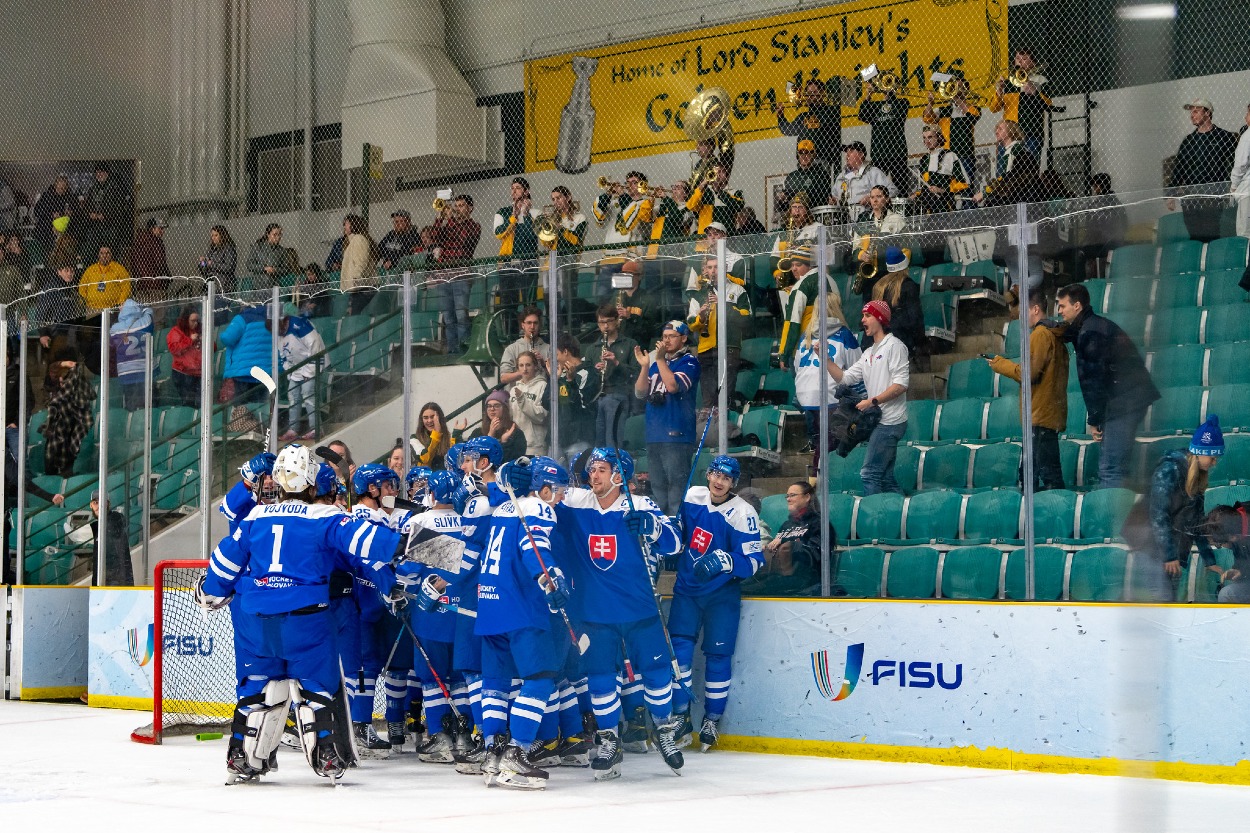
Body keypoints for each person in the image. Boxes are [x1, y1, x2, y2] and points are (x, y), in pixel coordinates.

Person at [196, 444, 404, 785]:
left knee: (257, 690)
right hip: (306, 619)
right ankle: (326, 755)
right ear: (312, 483)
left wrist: (210, 592)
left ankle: (240, 756)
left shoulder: (254, 518)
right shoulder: (324, 517)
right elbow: (366, 541)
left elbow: (222, 565)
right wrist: (404, 542)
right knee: (317, 689)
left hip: (256, 621)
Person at [552, 448, 687, 778]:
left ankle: (665, 732)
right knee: (600, 679)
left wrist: (653, 528)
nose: (592, 476)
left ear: (618, 475)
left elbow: (675, 544)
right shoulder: (577, 501)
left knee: (655, 676)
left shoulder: (641, 505)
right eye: (591, 470)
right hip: (595, 611)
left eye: (600, 469)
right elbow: (546, 496)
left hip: (640, 608)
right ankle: (609, 740)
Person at [669, 455, 763, 751]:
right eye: (716, 475)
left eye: (727, 478)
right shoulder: (692, 496)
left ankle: (712, 718)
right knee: (680, 652)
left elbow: (755, 562)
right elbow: (677, 539)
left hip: (722, 595)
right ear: (708, 475)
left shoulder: (743, 513)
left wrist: (727, 561)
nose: (720, 481)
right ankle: (681, 717)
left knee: (718, 657)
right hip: (686, 590)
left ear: (734, 483)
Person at [1055, 283, 1160, 488]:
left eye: (1062, 306)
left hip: (1125, 402)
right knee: (1115, 466)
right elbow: (1070, 333)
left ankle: (1111, 517)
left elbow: (1093, 380)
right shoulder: (1092, 326)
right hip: (1128, 399)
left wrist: (1094, 419)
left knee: (1111, 469)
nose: (1059, 311)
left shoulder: (1091, 333)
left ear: (1077, 306)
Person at [1122, 417, 1222, 602]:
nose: (1214, 462)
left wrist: (1210, 561)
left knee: (1169, 602)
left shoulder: (1197, 477)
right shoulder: (1169, 470)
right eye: (1212, 457)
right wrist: (1169, 556)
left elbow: (1197, 522)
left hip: (1171, 549)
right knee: (1162, 600)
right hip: (1149, 545)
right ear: (1200, 453)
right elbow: (1158, 515)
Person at [987, 288, 1069, 491]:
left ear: (1035, 309)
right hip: (1047, 414)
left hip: (1039, 415)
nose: (1020, 315)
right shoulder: (1055, 335)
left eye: (1024, 310)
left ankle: (1048, 518)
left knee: (1042, 478)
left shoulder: (1040, 335)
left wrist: (1000, 364)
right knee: (1037, 475)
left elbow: (1028, 374)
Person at [827, 301, 910, 495]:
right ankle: (897, 512)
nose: (862, 320)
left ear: (880, 319)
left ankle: (875, 519)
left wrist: (872, 401)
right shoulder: (868, 353)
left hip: (891, 421)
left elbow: (901, 385)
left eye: (867, 315)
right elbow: (845, 378)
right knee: (885, 478)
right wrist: (826, 360)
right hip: (880, 421)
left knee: (869, 473)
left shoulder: (895, 346)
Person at [633, 320, 700, 514]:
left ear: (684, 338)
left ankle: (678, 533)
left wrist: (660, 360)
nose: (666, 341)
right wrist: (645, 367)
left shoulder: (689, 361)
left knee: (676, 493)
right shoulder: (656, 364)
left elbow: (672, 386)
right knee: (659, 491)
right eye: (664, 337)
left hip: (677, 435)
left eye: (671, 336)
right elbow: (639, 393)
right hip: (654, 435)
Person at [792, 288, 863, 458]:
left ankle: (816, 474)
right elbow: (858, 368)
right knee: (833, 443)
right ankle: (821, 476)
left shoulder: (806, 335)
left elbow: (796, 366)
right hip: (829, 394)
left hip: (805, 395)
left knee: (822, 440)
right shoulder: (844, 334)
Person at [742, 481, 835, 597]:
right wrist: (769, 548)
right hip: (777, 577)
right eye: (787, 496)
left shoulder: (820, 523)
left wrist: (789, 544)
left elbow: (818, 554)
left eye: (793, 495)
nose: (788, 499)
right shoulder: (787, 525)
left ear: (807, 497)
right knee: (741, 587)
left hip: (806, 581)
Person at [686, 254, 751, 418]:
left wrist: (723, 305)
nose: (713, 271)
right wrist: (701, 317)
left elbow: (746, 319)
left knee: (725, 396)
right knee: (708, 399)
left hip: (729, 346)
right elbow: (691, 322)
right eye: (710, 267)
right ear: (705, 270)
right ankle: (709, 433)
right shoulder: (700, 294)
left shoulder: (737, 290)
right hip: (706, 347)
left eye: (717, 267)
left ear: (725, 269)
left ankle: (727, 431)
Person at [2, 430, 65, 585]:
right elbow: (19, 480)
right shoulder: (3, 455)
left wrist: (49, 496)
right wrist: (49, 496)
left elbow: (18, 479)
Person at [431, 194, 480, 354]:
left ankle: (464, 349)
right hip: (444, 275)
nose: (457, 209)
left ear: (470, 208)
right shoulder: (447, 226)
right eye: (456, 206)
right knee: (448, 317)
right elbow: (433, 237)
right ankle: (452, 350)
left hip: (461, 274)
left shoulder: (474, 226)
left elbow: (462, 240)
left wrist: (450, 219)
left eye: (461, 206)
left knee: (461, 315)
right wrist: (440, 217)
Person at [586, 304, 638, 450]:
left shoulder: (630, 344)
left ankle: (615, 469)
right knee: (598, 445)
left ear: (617, 321)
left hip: (619, 395)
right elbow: (584, 378)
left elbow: (636, 374)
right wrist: (594, 371)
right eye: (602, 322)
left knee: (613, 444)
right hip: (597, 398)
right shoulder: (592, 349)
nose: (606, 326)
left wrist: (616, 363)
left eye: (609, 321)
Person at [988, 48, 1055, 161]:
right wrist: (999, 91)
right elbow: (994, 108)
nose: (1020, 62)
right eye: (1017, 59)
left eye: (1024, 59)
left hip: (1030, 133)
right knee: (1003, 173)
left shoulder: (1041, 80)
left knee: (1029, 171)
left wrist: (1034, 91)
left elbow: (1048, 104)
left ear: (1033, 63)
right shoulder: (1008, 82)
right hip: (1009, 135)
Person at [218, 303, 276, 433]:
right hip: (265, 372)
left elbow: (227, 338)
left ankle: (248, 433)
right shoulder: (271, 318)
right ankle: (263, 431)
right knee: (261, 407)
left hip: (244, 372)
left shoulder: (242, 317)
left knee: (242, 407)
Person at [777, 246, 831, 370]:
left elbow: (793, 323)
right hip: (830, 344)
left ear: (809, 265)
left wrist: (785, 354)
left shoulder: (801, 286)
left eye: (798, 265)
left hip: (805, 348)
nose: (793, 269)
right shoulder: (828, 279)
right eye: (792, 265)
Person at [277, 304, 325, 442]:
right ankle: (293, 429)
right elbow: (283, 355)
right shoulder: (279, 334)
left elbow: (315, 344)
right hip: (295, 369)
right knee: (293, 397)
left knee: (309, 395)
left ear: (284, 321)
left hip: (311, 364)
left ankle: (316, 428)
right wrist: (289, 371)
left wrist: (310, 370)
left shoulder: (299, 324)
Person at [846, 186, 905, 297]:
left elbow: (906, 247)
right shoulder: (863, 219)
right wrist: (860, 254)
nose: (875, 200)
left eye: (879, 196)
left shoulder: (896, 219)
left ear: (887, 199)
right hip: (869, 275)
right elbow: (855, 247)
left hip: (889, 273)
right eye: (872, 197)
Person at [42, 353, 95, 478]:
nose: (61, 383)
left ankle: (67, 475)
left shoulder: (77, 391)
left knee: (68, 456)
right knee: (50, 458)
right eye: (60, 380)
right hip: (56, 431)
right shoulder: (57, 388)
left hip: (70, 429)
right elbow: (52, 369)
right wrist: (64, 363)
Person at [65, 489, 133, 586]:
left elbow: (118, 524)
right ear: (91, 505)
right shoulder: (97, 526)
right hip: (102, 580)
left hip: (117, 582)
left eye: (102, 502)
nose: (98, 506)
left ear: (107, 504)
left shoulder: (116, 518)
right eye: (95, 502)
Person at [871, 248, 924, 365]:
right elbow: (915, 318)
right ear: (905, 265)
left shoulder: (878, 286)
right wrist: (920, 344)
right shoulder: (909, 286)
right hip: (903, 342)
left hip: (881, 342)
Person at [857, 79, 911, 194]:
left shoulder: (902, 103)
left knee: (901, 188)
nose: (886, 87)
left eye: (889, 83)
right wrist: (869, 94)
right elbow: (862, 115)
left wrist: (889, 93)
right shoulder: (875, 106)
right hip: (879, 153)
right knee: (878, 187)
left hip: (898, 153)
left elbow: (899, 111)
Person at [922, 76, 981, 181]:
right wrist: (930, 103)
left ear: (965, 90)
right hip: (946, 155)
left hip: (965, 155)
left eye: (959, 87)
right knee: (946, 187)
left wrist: (958, 99)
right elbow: (927, 118)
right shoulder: (943, 110)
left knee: (965, 186)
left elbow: (973, 117)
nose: (956, 90)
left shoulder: (973, 108)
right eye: (954, 87)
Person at [775, 78, 843, 166]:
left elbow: (829, 120)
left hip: (822, 161)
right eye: (808, 94)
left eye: (814, 93)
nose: (810, 96)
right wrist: (781, 116)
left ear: (822, 93)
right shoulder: (803, 116)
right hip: (803, 163)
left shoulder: (831, 111)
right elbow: (787, 130)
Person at [554, 334, 599, 461]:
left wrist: (571, 381)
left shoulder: (588, 373)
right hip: (559, 438)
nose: (555, 359)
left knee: (579, 479)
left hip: (579, 437)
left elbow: (582, 404)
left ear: (565, 352)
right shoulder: (559, 374)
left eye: (556, 354)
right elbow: (547, 403)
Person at [454, 389, 527, 462]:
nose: (492, 409)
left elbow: (513, 461)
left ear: (505, 408)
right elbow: (469, 457)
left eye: (496, 406)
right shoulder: (478, 432)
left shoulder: (516, 433)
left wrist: (504, 442)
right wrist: (456, 434)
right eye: (489, 406)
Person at [109, 298, 154, 411]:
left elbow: (112, 346)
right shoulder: (145, 322)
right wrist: (141, 308)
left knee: (131, 404)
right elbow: (149, 312)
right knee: (147, 404)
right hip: (144, 370)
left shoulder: (115, 329)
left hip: (125, 371)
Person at [913, 125, 969, 215]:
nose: (927, 141)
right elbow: (922, 186)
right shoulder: (924, 160)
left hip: (945, 205)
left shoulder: (950, 155)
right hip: (926, 207)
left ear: (939, 137)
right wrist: (916, 194)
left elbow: (964, 183)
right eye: (924, 138)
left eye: (930, 137)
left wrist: (941, 190)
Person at [79, 162, 131, 256]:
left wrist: (105, 216)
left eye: (101, 172)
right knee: (92, 252)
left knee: (110, 253)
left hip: (111, 227)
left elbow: (120, 210)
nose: (99, 174)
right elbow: (86, 207)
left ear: (107, 173)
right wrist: (90, 214)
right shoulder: (93, 189)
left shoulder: (116, 189)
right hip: (95, 226)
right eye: (97, 172)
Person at [1083, 174, 1129, 279]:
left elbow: (1091, 229)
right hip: (1116, 242)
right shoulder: (1117, 202)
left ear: (1101, 186)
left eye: (1095, 185)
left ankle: (1082, 283)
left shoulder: (1097, 205)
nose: (1094, 189)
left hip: (1102, 244)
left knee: (1079, 253)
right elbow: (1125, 225)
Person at [1202, 501, 1250, 603]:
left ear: (1233, 537)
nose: (1219, 547)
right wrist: (1239, 571)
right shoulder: (1236, 525)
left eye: (1219, 544)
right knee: (1226, 593)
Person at [837, 141, 896, 222]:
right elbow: (834, 195)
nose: (847, 155)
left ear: (861, 154)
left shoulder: (872, 172)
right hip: (843, 219)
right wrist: (834, 200)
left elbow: (892, 190)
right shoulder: (841, 176)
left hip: (866, 218)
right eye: (846, 152)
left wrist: (871, 198)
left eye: (850, 151)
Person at [686, 161, 744, 236]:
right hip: (705, 238)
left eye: (721, 171)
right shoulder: (703, 192)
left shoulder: (735, 192)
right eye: (714, 171)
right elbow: (690, 206)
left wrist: (719, 191)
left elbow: (738, 206)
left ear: (727, 175)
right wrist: (703, 183)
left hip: (727, 238)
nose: (717, 174)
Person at [509, 351, 549, 457]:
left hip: (535, 446)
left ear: (535, 366)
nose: (525, 369)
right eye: (521, 365)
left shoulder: (543, 386)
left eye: (528, 365)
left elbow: (541, 416)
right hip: (516, 444)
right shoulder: (514, 389)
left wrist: (522, 400)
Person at [499, 306, 549, 386]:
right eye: (529, 323)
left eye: (535, 323)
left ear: (539, 325)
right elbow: (504, 378)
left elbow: (556, 377)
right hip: (518, 396)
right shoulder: (511, 349)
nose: (532, 327)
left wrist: (543, 364)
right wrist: (524, 371)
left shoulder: (548, 349)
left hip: (542, 395)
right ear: (523, 325)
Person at [339, 214, 377, 315]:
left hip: (362, 287)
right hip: (358, 287)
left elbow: (361, 261)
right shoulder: (353, 241)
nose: (344, 227)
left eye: (346, 224)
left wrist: (356, 278)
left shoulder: (359, 239)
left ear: (353, 225)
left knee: (356, 315)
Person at [131, 217, 170, 308]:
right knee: (158, 315)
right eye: (160, 228)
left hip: (141, 283)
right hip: (155, 283)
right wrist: (166, 278)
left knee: (144, 314)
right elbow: (160, 262)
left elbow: (133, 263)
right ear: (152, 228)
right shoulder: (156, 242)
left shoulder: (138, 241)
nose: (162, 231)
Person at [79, 245, 130, 311]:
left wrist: (120, 303)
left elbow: (126, 287)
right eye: (101, 253)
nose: (104, 255)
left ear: (111, 254)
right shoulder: (90, 270)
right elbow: (82, 287)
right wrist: (84, 303)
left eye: (107, 253)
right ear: (98, 255)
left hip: (112, 308)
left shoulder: (119, 269)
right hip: (91, 308)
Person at [32, 174, 76, 250]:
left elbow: (75, 209)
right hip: (46, 228)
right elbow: (36, 211)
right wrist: (51, 215)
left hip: (62, 228)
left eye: (64, 187)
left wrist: (70, 212)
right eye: (60, 186)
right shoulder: (47, 196)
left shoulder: (68, 197)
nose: (62, 189)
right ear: (55, 185)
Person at [1227, 103, 1250, 238]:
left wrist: (1234, 186)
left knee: (1245, 232)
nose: (1245, 117)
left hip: (1247, 189)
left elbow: (1241, 164)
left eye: (1247, 113)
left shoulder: (1247, 136)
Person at [246, 224, 289, 291]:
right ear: (268, 235)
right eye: (275, 234)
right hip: (257, 287)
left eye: (279, 234)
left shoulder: (282, 250)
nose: (278, 237)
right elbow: (249, 265)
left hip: (273, 287)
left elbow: (286, 269)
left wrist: (275, 270)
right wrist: (264, 268)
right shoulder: (257, 247)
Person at [412, 402, 451, 470]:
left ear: (439, 418)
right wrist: (436, 433)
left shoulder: (447, 437)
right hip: (425, 479)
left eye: (432, 417)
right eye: (425, 418)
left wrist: (457, 434)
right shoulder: (414, 438)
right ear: (422, 420)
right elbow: (425, 459)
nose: (429, 421)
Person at [199, 225, 238, 293]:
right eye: (212, 235)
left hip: (225, 286)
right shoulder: (212, 249)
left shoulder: (229, 248)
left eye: (216, 235)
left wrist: (212, 264)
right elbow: (205, 266)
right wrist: (203, 262)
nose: (213, 238)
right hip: (212, 284)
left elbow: (229, 267)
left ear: (222, 235)